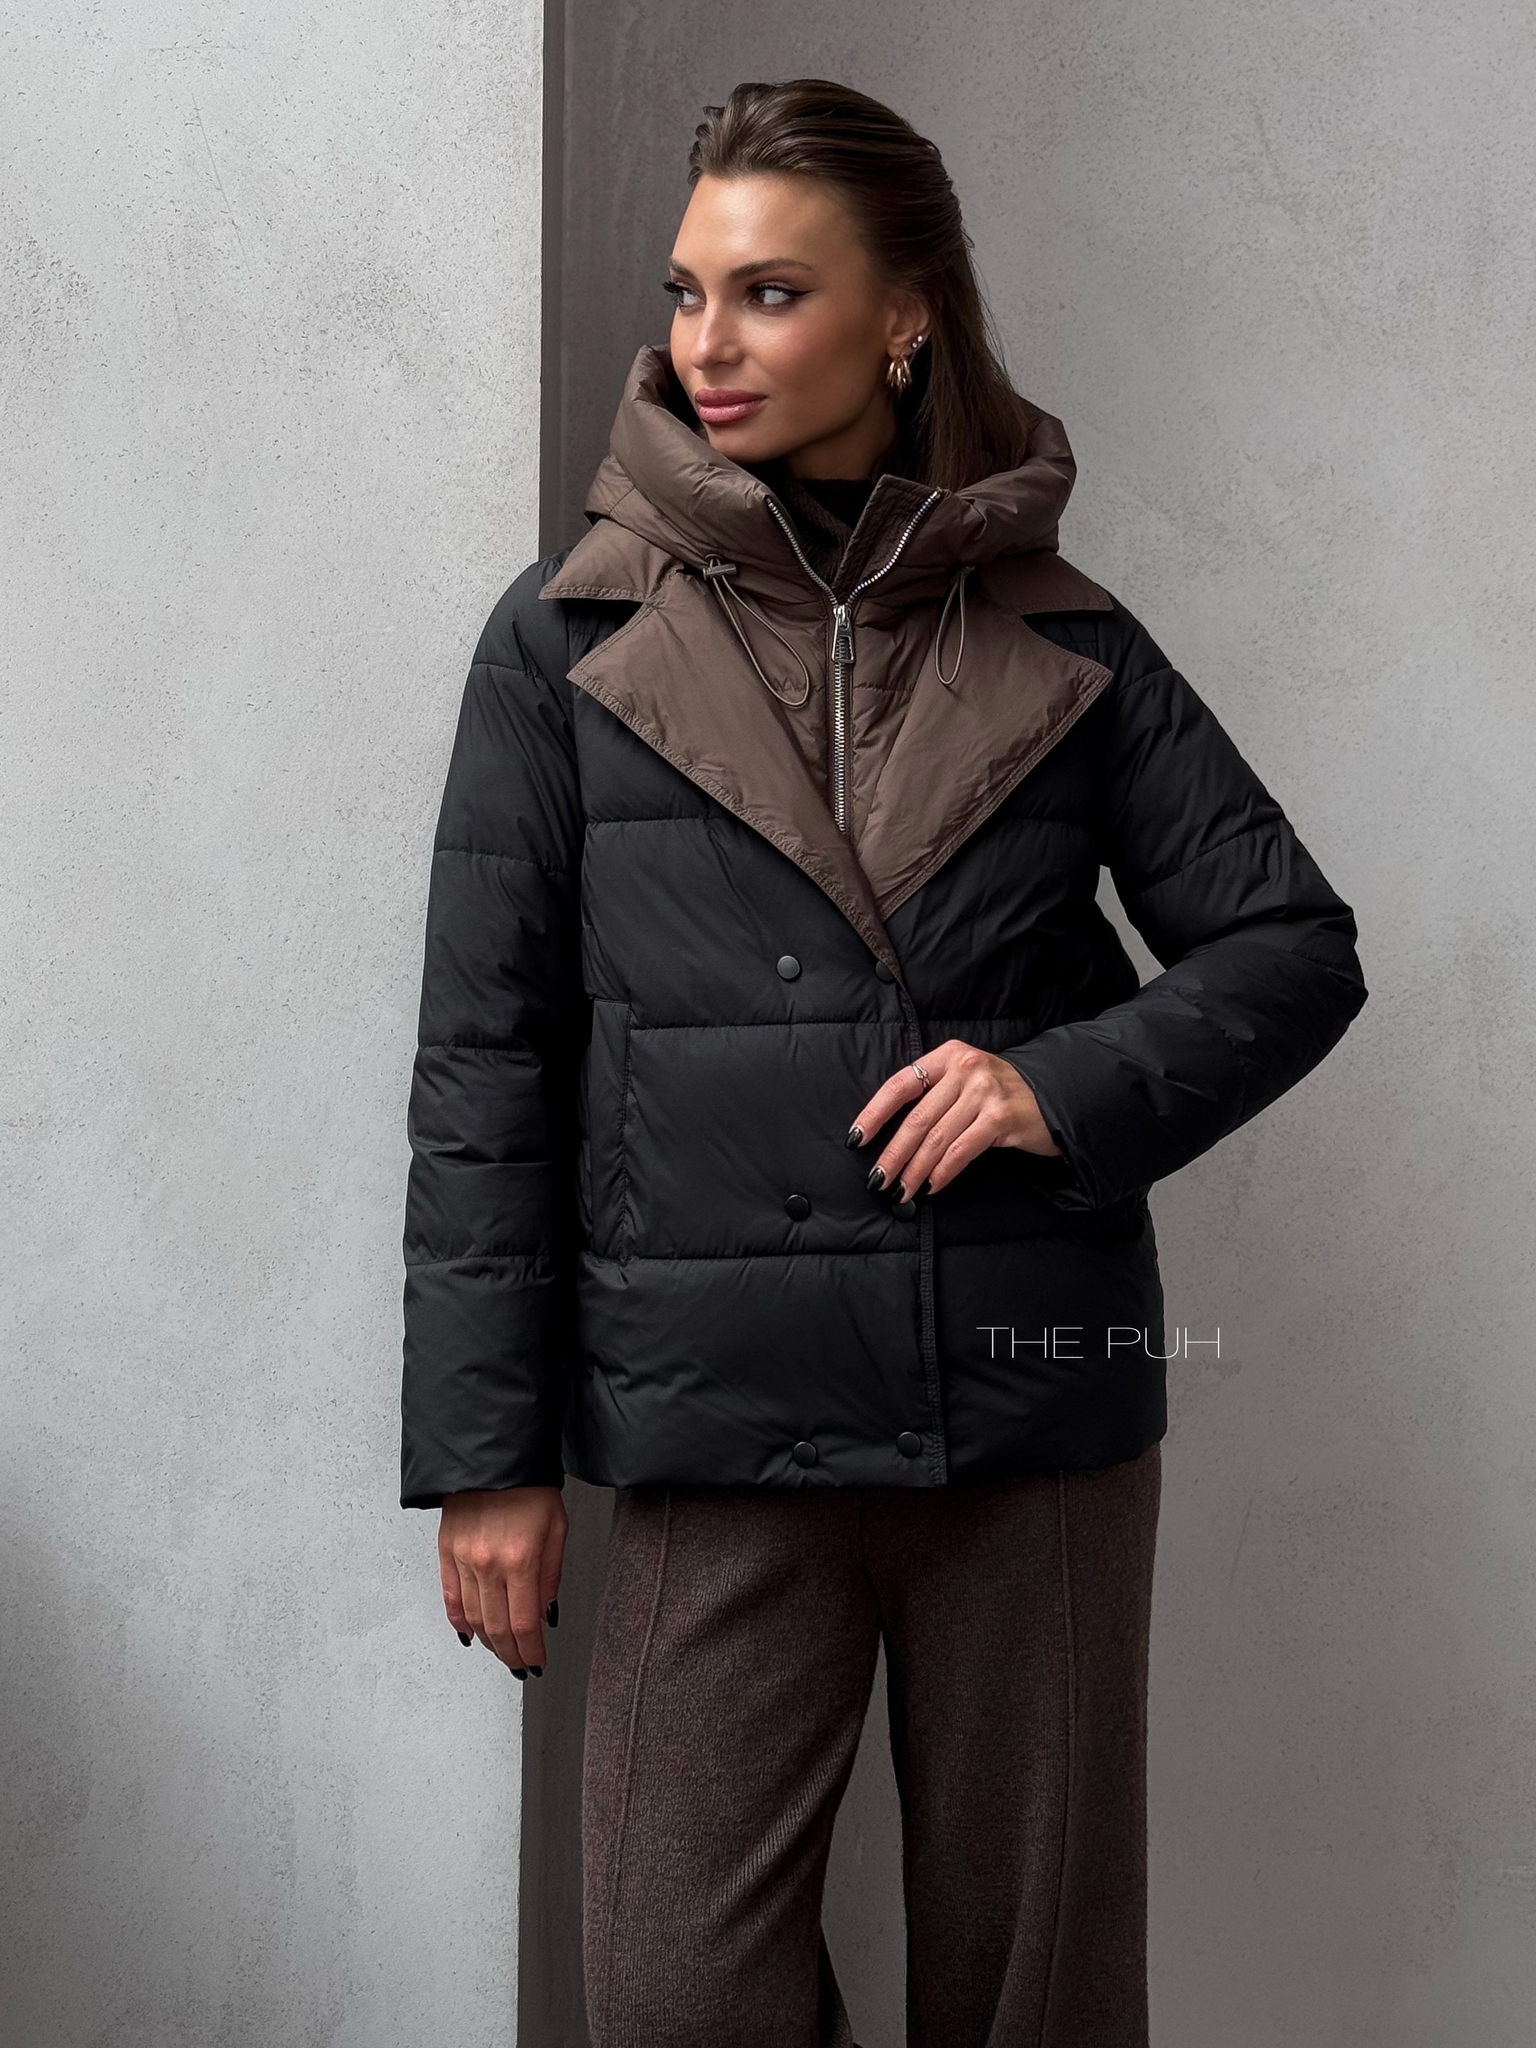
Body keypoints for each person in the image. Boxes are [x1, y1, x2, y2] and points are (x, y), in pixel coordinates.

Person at [399, 78, 1368, 2048]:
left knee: (1038, 2003)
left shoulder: (1063, 633)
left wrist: (1055, 1087)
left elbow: (1289, 947)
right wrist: (487, 1452)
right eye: (691, 291)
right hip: (715, 1415)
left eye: (773, 292)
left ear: (906, 317)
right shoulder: (562, 640)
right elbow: (483, 1060)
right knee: (675, 1996)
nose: (710, 339)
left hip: (1024, 1407)